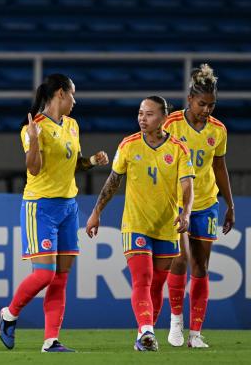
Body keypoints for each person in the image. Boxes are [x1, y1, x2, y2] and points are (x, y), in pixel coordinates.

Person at [0, 74, 109, 353]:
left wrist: (92, 161)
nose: (75, 100)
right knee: (45, 275)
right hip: (41, 207)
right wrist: (34, 140)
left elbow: (74, 164)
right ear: (60, 93)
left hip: (68, 207)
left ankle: (51, 340)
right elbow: (33, 168)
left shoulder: (72, 125)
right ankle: (9, 314)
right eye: (73, 94)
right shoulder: (33, 128)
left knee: (61, 277)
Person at [86, 96, 195, 352]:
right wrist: (96, 212)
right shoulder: (128, 145)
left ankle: (143, 335)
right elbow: (113, 182)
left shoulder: (179, 149)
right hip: (135, 224)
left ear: (164, 118)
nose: (142, 119)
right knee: (142, 279)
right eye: (140, 113)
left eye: (149, 114)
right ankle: (147, 330)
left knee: (157, 284)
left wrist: (186, 213)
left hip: (167, 226)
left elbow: (188, 186)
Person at [163, 64, 234, 348]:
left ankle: (195, 333)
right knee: (179, 260)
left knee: (201, 267)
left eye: (212, 105)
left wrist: (229, 204)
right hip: (178, 206)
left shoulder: (218, 130)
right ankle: (176, 324)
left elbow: (219, 166)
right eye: (202, 104)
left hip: (206, 204)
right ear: (190, 99)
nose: (207, 110)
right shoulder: (171, 124)